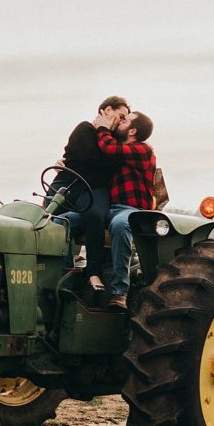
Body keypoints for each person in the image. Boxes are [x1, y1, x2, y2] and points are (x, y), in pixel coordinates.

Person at [50, 96, 131, 292]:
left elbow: (105, 163)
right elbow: (91, 159)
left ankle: (93, 273)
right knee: (49, 221)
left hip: (94, 188)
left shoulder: (117, 141)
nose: (121, 122)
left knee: (95, 215)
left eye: (124, 119)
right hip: (70, 184)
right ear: (107, 110)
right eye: (120, 116)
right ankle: (64, 280)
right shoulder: (85, 129)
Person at [96, 110, 156, 310]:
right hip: (109, 209)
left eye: (125, 120)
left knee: (121, 225)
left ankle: (119, 292)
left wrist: (102, 127)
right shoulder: (121, 154)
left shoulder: (143, 150)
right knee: (66, 220)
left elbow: (108, 146)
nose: (120, 121)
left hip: (132, 211)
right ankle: (68, 284)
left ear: (133, 130)